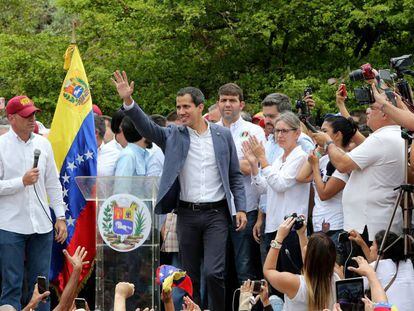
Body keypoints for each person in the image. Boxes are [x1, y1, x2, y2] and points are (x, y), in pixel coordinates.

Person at [111, 70, 247, 311]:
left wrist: (242, 208)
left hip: (217, 213)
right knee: (189, 276)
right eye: (178, 107)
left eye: (186, 107)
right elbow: (147, 127)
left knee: (215, 273)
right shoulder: (174, 135)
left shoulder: (222, 135)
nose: (181, 112)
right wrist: (129, 103)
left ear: (200, 107)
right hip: (186, 214)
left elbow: (235, 175)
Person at [0, 95, 67, 311]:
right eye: (26, 115)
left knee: (42, 286)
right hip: (11, 225)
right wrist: (21, 182)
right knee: (12, 285)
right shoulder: (1, 146)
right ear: (11, 118)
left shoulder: (43, 145)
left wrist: (61, 217)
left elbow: (53, 184)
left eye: (34, 114)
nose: (32, 119)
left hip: (42, 224)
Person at [312, 95, 405, 242]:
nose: (367, 110)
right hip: (376, 221)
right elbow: (358, 137)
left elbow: (342, 164)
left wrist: (328, 142)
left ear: (385, 113)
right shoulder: (393, 136)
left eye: (373, 107)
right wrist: (341, 106)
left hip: (370, 226)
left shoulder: (381, 139)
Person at [243, 112, 310, 274]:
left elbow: (280, 184)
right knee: (274, 277)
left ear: (297, 133)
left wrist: (263, 159)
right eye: (277, 131)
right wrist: (254, 165)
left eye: (284, 131)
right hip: (274, 225)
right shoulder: (280, 157)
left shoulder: (300, 156)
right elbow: (264, 189)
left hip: (292, 228)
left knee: (289, 275)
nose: (279, 135)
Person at [216, 83, 266, 284]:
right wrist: (241, 161)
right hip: (216, 207)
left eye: (232, 100)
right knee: (217, 269)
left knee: (244, 267)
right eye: (223, 100)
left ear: (241, 104)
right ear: (218, 103)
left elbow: (255, 167)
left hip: (246, 206)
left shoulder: (254, 131)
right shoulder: (210, 130)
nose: (227, 104)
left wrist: (223, 163)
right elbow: (244, 165)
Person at [297, 115, 357, 245]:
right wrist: (319, 149)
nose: (319, 134)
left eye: (324, 132)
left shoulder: (344, 161)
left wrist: (315, 166)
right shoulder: (324, 158)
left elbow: (324, 194)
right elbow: (301, 177)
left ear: (337, 135)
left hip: (335, 226)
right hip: (319, 225)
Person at [263, 217, 340, 310]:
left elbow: (268, 270)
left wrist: (279, 237)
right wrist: (301, 234)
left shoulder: (293, 283)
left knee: (274, 299)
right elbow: (313, 259)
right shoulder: (337, 278)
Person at [349, 230, 414, 311]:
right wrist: (362, 243)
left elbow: (352, 289)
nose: (370, 248)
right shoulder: (408, 263)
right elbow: (377, 264)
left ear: (381, 252)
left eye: (372, 245)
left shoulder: (375, 268)